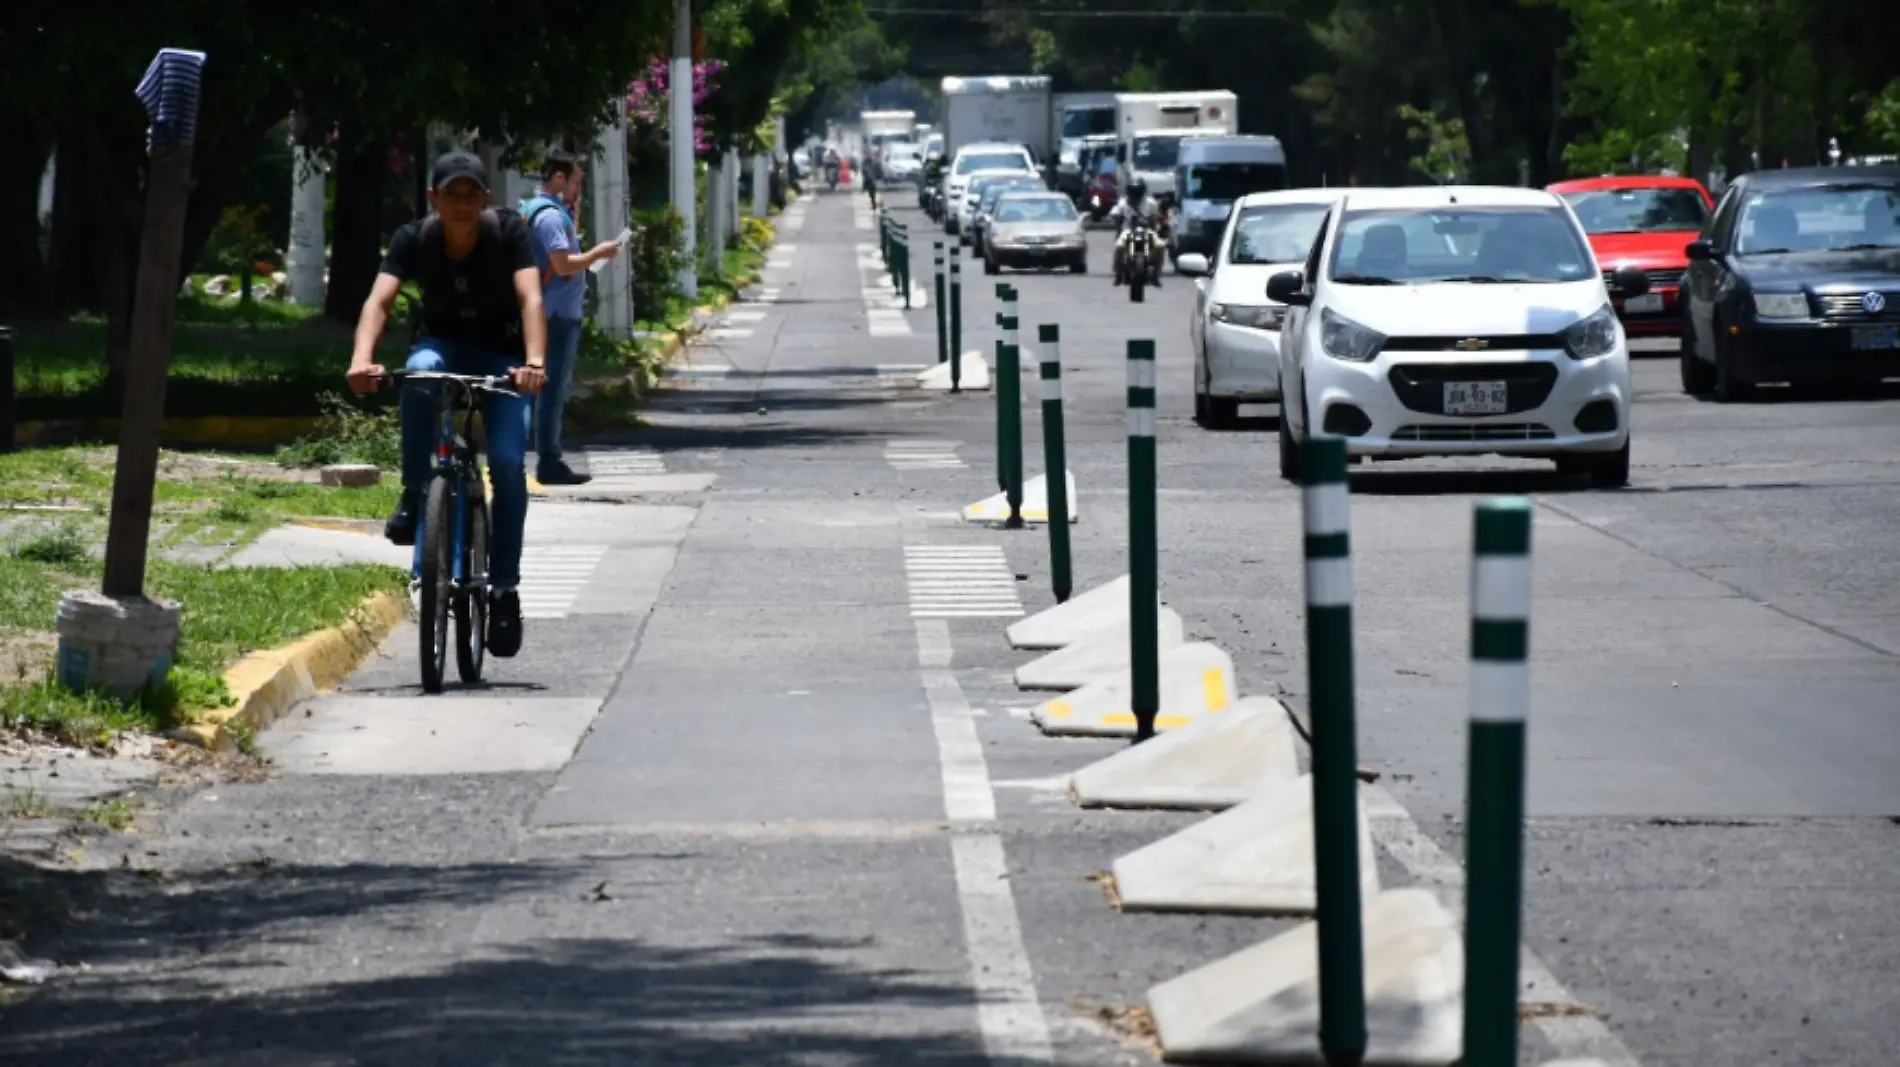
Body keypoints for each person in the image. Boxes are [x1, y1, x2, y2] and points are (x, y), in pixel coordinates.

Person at [345, 151, 547, 658]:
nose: (460, 204)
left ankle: (503, 589)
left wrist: (536, 362)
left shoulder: (508, 233)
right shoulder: (415, 239)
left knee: (505, 463)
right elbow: (379, 301)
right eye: (450, 195)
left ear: (485, 198)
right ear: (433, 200)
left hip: (504, 357)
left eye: (470, 195)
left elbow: (531, 299)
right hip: (443, 346)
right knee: (420, 376)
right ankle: (416, 496)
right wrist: (362, 359)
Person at [518, 150, 622, 486]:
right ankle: (549, 460)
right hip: (556, 315)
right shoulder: (549, 217)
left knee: (542, 387)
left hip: (550, 311)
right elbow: (563, 265)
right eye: (576, 181)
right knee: (551, 389)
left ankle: (537, 455)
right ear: (559, 179)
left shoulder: (543, 210)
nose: (579, 189)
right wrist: (598, 253)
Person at [1108, 178, 1165, 288]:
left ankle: (1156, 275)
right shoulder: (1123, 203)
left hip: (1147, 231)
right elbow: (1114, 214)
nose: (1135, 196)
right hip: (1127, 230)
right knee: (1119, 246)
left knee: (1160, 246)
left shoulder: (1151, 203)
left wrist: (1156, 224)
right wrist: (1116, 219)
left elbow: (1156, 217)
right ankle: (1118, 273)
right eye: (1133, 192)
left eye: (1137, 192)